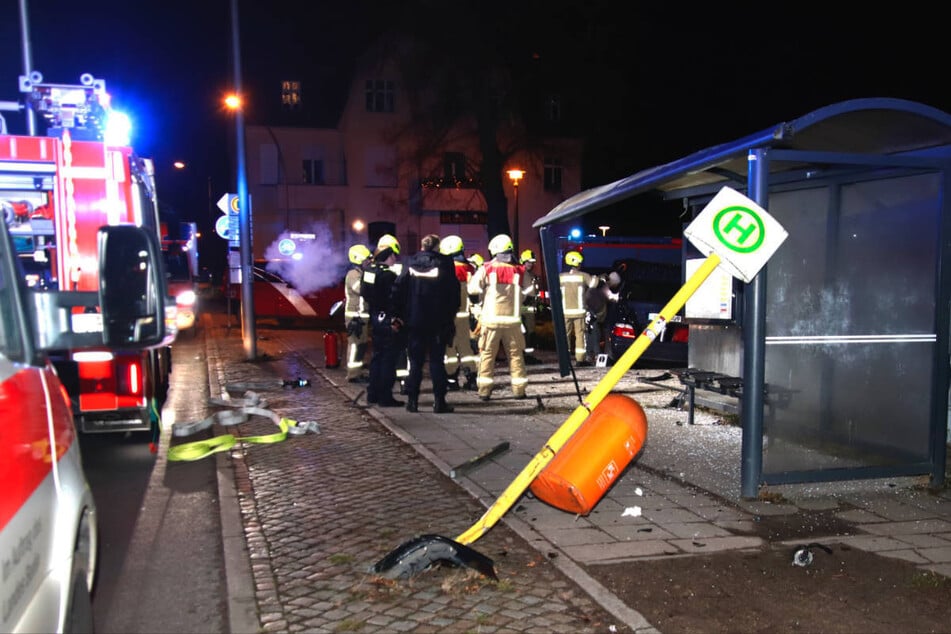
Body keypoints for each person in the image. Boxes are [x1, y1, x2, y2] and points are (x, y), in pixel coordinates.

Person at [393, 234, 459, 413]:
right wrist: (449, 317)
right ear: (437, 247)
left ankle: (412, 401)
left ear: (422, 247)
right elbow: (453, 294)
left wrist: (400, 314)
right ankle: (439, 402)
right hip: (438, 323)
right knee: (437, 362)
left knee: (415, 363)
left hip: (414, 321)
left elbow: (398, 288)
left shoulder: (410, 262)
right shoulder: (445, 263)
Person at [468, 234, 534, 401]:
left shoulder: (487, 268)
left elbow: (473, 289)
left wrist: (477, 306)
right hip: (513, 322)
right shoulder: (520, 270)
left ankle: (484, 391)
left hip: (491, 321)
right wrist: (519, 299)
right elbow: (530, 292)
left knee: (487, 355)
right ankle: (519, 391)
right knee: (516, 356)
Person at [360, 234, 403, 407]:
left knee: (377, 358)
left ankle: (373, 393)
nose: (395, 259)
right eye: (393, 255)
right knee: (388, 359)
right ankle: (385, 396)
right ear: (388, 256)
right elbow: (395, 299)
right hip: (387, 319)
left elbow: (365, 294)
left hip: (375, 317)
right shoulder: (388, 276)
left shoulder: (369, 271)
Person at [440, 235, 479, 390]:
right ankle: (471, 379)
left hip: (448, 316)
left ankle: (451, 380)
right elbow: (475, 294)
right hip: (464, 316)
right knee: (466, 349)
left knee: (449, 348)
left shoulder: (443, 269)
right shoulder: (469, 268)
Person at [560, 250, 598, 365]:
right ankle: (580, 360)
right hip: (579, 312)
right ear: (577, 263)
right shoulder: (583, 276)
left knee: (564, 336)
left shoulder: (560, 277)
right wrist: (597, 277)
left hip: (564, 312)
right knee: (580, 336)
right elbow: (593, 285)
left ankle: (564, 359)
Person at [344, 244, 372, 382]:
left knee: (361, 345)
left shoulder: (360, 273)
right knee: (355, 345)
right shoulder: (353, 275)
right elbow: (361, 289)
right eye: (367, 259)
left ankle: (358, 372)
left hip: (361, 316)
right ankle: (353, 375)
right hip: (355, 316)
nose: (369, 262)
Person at [519, 248, 541, 364]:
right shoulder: (522, 274)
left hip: (528, 307)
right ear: (523, 261)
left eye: (532, 262)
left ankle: (527, 355)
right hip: (524, 308)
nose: (531, 264)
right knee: (527, 332)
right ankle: (526, 356)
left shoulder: (529, 274)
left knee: (529, 332)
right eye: (528, 262)